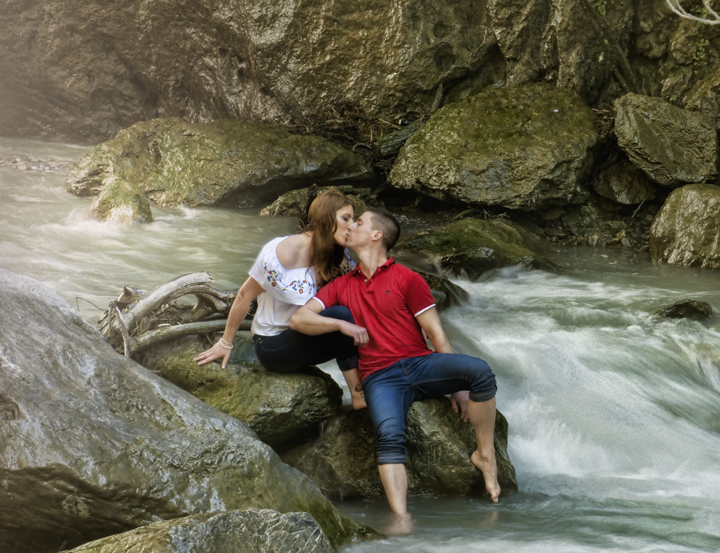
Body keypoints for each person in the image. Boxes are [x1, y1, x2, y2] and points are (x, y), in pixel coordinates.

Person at [289, 206, 502, 520]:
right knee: (389, 437)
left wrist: (458, 387)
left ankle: (486, 456)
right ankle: (402, 520)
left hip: (421, 364)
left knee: (481, 373)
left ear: (376, 235)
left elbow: (435, 332)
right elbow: (298, 318)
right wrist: (341, 326)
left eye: (358, 222)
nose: (350, 227)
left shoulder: (408, 278)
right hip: (379, 377)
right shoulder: (340, 285)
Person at [194, 188, 370, 409]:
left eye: (353, 219)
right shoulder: (281, 253)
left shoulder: (338, 256)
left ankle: (379, 383)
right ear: (326, 218)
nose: (352, 225)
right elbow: (244, 295)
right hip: (273, 345)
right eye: (346, 218)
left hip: (308, 334)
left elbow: (361, 292)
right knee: (342, 317)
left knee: (358, 320)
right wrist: (225, 343)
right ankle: (358, 396)